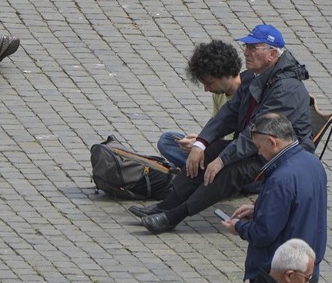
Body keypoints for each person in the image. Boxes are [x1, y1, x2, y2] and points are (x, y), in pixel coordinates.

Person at [130, 24, 313, 233]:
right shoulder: (253, 77)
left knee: (230, 170)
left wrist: (222, 160)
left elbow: (258, 130)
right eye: (246, 46)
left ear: (272, 54)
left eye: (253, 48)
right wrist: (201, 143)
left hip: (280, 154)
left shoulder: (286, 88)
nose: (246, 52)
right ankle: (167, 204)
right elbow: (228, 113)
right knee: (209, 151)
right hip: (259, 147)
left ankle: (173, 216)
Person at [223, 113, 328, 283]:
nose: (259, 153)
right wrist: (260, 207)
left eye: (259, 147)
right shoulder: (313, 163)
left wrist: (239, 227)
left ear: (272, 141)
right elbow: (301, 204)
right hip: (308, 269)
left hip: (283, 276)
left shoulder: (280, 178)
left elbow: (264, 232)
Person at [157, 40, 243, 168]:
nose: (206, 89)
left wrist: (204, 145)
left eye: (209, 83)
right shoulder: (219, 94)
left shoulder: (247, 95)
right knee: (167, 140)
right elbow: (217, 129)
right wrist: (199, 141)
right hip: (217, 149)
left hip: (233, 155)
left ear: (225, 75)